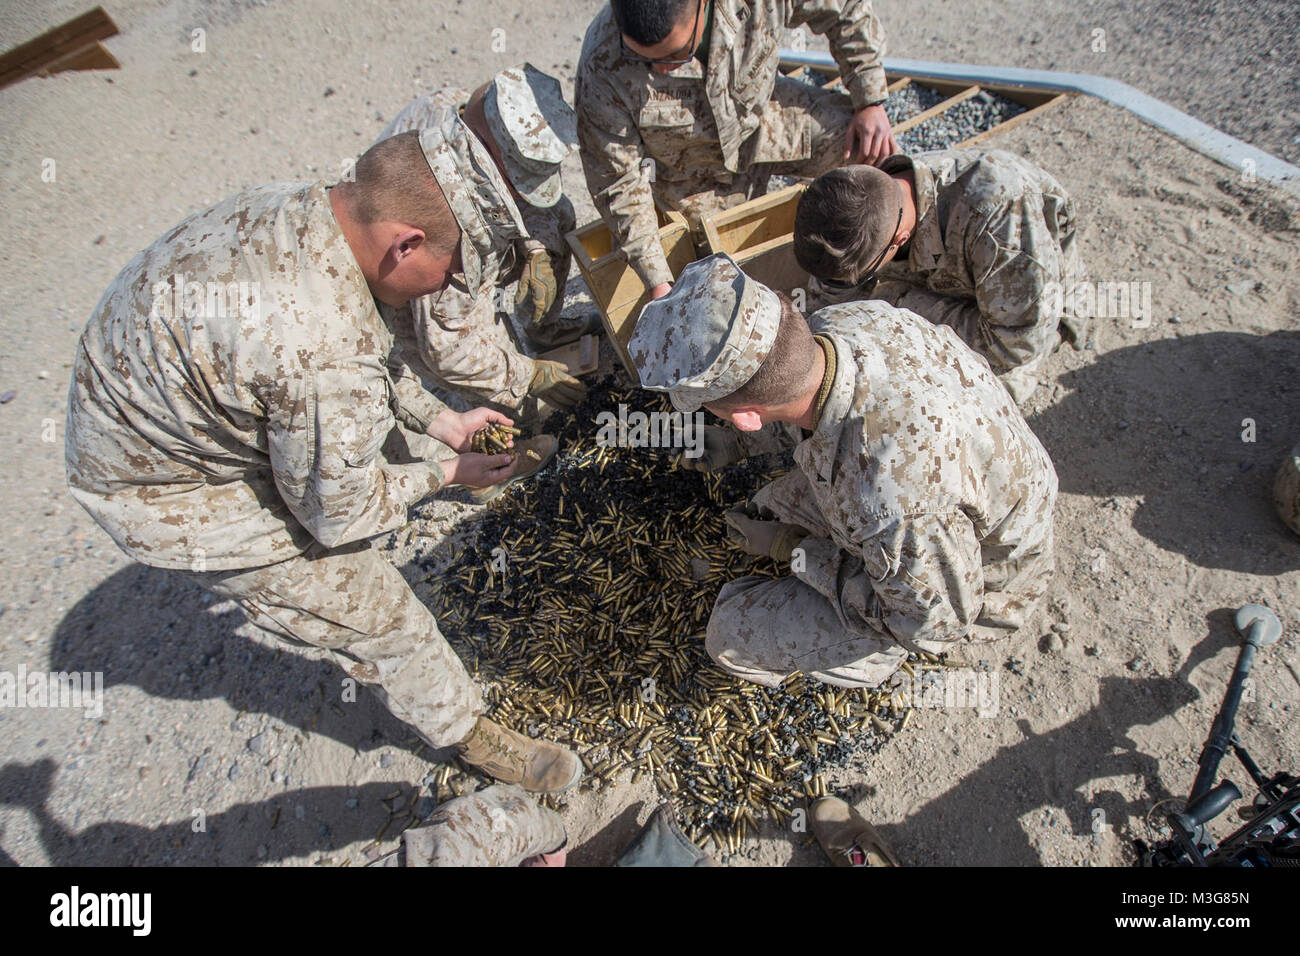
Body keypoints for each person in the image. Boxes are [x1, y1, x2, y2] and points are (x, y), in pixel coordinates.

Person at [65, 125, 581, 794]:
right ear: (406, 242)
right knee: (379, 615)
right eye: (450, 271)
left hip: (168, 388)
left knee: (348, 437)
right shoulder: (319, 351)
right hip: (165, 487)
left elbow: (354, 336)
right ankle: (468, 733)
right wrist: (447, 472)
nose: (445, 286)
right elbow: (338, 516)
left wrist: (442, 420)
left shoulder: (319, 210)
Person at [630, 253, 1058, 689]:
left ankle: (878, 664)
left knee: (730, 634)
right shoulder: (846, 320)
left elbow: (935, 624)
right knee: (766, 507)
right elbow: (794, 391)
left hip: (982, 582)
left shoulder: (891, 501)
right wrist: (738, 443)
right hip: (953, 485)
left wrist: (795, 551)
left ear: (746, 414)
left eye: (715, 413)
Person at [577, 0, 895, 301]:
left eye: (675, 54)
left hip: (765, 121)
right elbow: (617, 181)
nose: (660, 70)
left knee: (868, 157)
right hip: (695, 173)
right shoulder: (602, 63)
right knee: (717, 279)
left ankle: (886, 265)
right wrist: (657, 279)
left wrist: (869, 100)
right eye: (643, 60)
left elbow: (845, 8)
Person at [793, 148, 1090, 402]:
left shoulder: (1001, 224)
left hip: (1023, 317)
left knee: (936, 400)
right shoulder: (865, 197)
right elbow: (831, 291)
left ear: (899, 239)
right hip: (951, 283)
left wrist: (896, 307)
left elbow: (1013, 345)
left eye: (860, 274)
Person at [378, 65, 590, 415]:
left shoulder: (471, 115)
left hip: (471, 220)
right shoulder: (438, 210)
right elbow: (445, 347)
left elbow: (530, 197)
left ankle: (543, 331)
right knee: (522, 414)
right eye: (517, 181)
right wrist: (526, 377)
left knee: (555, 216)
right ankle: (469, 411)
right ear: (487, 152)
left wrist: (535, 250)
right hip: (407, 280)